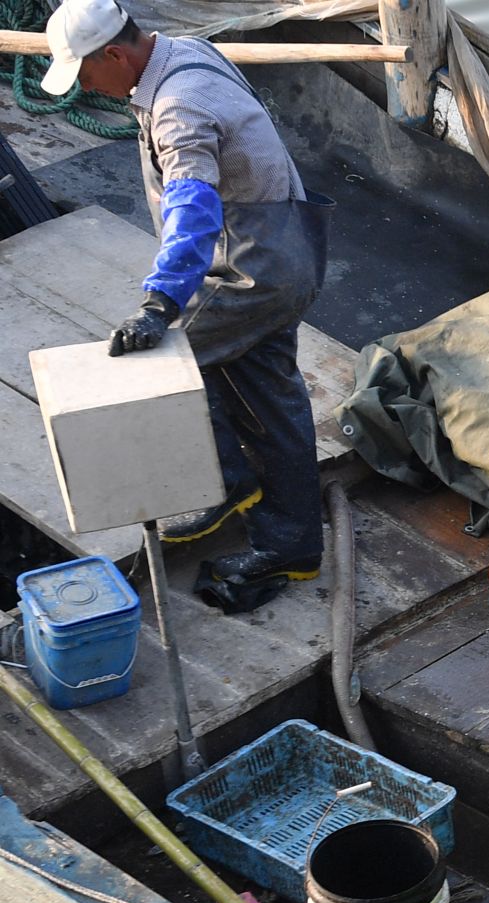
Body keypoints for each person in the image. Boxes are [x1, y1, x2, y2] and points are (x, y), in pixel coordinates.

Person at [46, 0, 331, 609]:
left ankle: (225, 481)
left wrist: (159, 302)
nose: (85, 90)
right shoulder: (184, 51)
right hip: (293, 247)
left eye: (85, 76)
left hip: (250, 271)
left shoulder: (179, 107)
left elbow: (193, 206)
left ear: (115, 55)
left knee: (159, 364)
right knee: (269, 396)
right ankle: (295, 548)